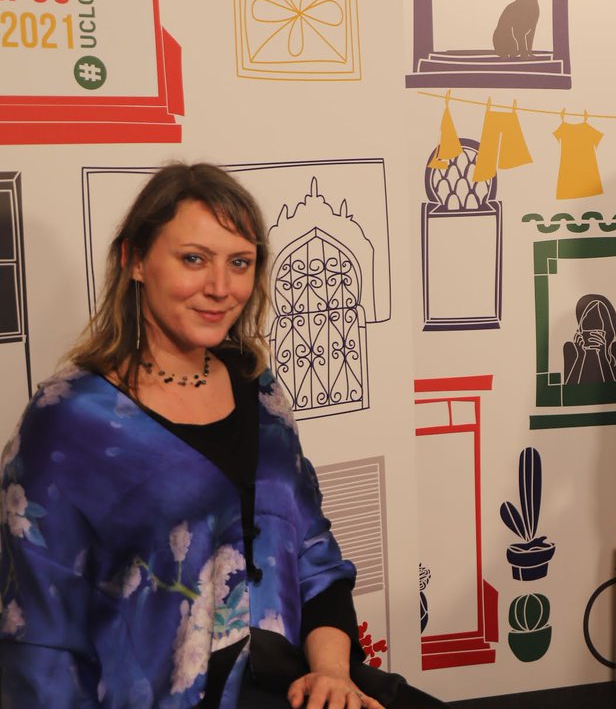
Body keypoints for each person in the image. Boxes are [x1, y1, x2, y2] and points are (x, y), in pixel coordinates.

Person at [0, 164, 444, 708]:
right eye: (194, 259)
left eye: (239, 263)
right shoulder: (68, 420)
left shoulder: (259, 390)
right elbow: (38, 636)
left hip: (295, 678)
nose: (220, 288)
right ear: (135, 260)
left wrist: (332, 675)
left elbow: (315, 556)